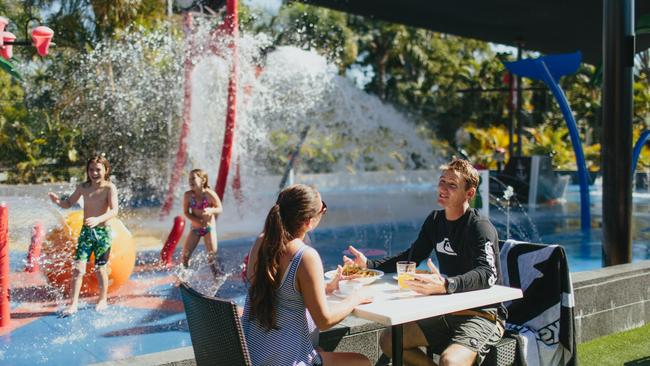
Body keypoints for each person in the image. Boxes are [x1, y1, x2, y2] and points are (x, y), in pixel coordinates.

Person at [345, 158, 504, 366]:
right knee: (389, 340)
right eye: (442, 181)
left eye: (452, 185)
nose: (443, 188)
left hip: (482, 314)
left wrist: (447, 285)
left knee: (451, 361)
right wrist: (369, 265)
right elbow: (411, 257)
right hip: (447, 310)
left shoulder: (479, 227)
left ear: (470, 193)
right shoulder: (435, 221)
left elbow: (487, 274)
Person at [242, 184, 372, 366]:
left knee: (321, 352)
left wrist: (325, 288)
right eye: (322, 210)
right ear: (309, 222)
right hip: (288, 360)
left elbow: (280, 293)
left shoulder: (262, 242)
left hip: (256, 356)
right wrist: (355, 298)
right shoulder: (304, 256)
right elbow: (324, 320)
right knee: (362, 362)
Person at [48, 155, 119, 316]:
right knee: (78, 269)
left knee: (100, 268)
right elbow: (68, 203)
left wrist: (98, 219)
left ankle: (102, 299)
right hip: (86, 233)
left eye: (98, 169)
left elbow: (114, 211)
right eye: (91, 169)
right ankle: (73, 304)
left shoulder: (109, 188)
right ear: (87, 171)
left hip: (103, 234)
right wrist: (57, 201)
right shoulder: (83, 187)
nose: (94, 173)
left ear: (106, 170)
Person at [181, 169, 222, 272]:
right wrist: (196, 220)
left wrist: (211, 210)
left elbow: (220, 208)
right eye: (189, 179)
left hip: (209, 228)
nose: (190, 181)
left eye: (193, 178)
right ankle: (183, 277)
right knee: (185, 255)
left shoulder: (209, 194)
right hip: (195, 229)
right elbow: (186, 212)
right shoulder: (188, 196)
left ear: (203, 180)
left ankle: (217, 277)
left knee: (212, 257)